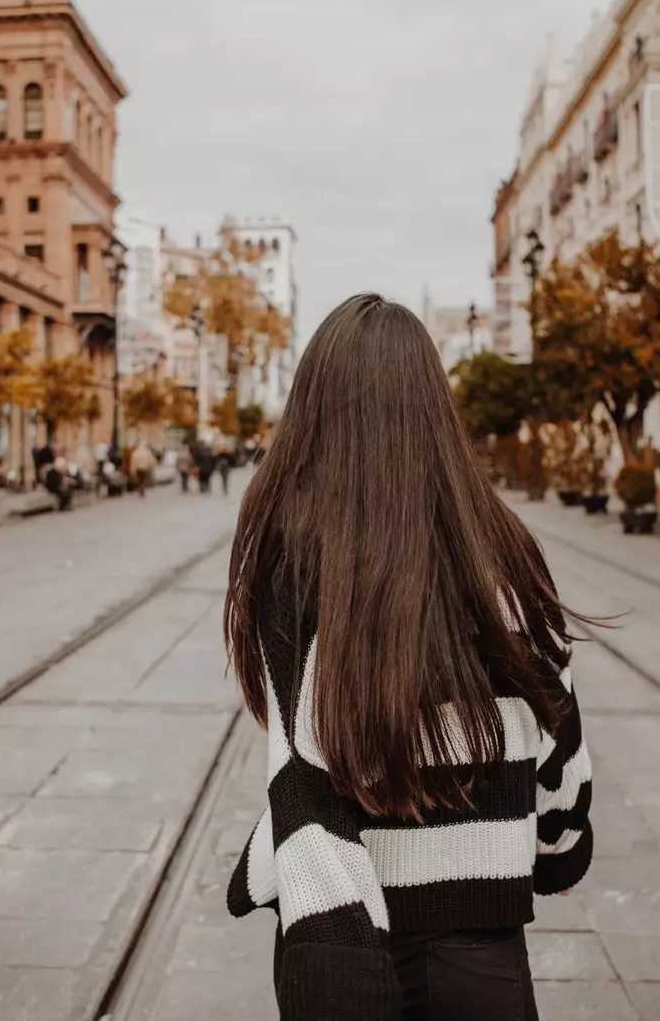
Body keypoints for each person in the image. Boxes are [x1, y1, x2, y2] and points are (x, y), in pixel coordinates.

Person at [225, 294, 593, 1021]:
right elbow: (557, 722)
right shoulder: (507, 546)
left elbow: (300, 769)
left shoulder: (293, 553)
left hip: (344, 934)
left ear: (313, 412)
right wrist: (560, 847)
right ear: (435, 410)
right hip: (481, 954)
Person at [44, 445, 74, 512]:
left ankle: (65, 505)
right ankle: (63, 505)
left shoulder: (59, 473)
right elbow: (53, 483)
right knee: (63, 492)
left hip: (57, 487)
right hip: (53, 487)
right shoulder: (53, 472)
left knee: (67, 491)